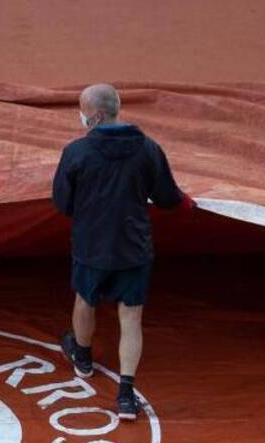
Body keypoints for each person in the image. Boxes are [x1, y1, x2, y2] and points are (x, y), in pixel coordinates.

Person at [52, 83, 195, 420]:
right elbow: (168, 198)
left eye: (83, 111)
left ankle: (83, 358)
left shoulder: (76, 153)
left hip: (92, 246)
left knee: (85, 300)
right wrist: (189, 204)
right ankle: (127, 394)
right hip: (134, 247)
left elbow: (62, 203)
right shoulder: (148, 149)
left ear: (96, 115)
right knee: (131, 317)